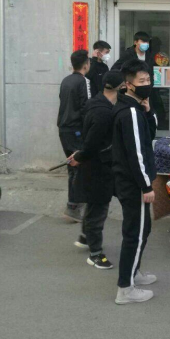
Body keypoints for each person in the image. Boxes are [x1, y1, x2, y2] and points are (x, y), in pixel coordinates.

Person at [112, 60, 158, 305]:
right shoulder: (129, 112)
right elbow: (137, 153)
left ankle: (134, 273)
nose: (147, 84)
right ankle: (125, 289)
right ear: (129, 85)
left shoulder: (135, 108)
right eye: (142, 81)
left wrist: (148, 111)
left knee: (143, 228)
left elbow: (149, 136)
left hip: (132, 181)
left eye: (148, 80)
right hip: (133, 184)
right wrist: (146, 185)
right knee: (135, 234)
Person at [68, 70, 125, 270]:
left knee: (95, 206)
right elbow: (92, 143)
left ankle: (85, 237)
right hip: (98, 167)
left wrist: (79, 154)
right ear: (121, 87)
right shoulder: (104, 112)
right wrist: (79, 157)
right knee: (98, 209)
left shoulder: (97, 103)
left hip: (98, 164)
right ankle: (95, 254)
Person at [57, 49, 91, 222]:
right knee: (79, 166)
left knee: (73, 166)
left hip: (64, 129)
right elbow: (86, 107)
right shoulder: (83, 81)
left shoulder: (66, 80)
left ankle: (75, 205)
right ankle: (73, 207)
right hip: (76, 129)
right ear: (86, 65)